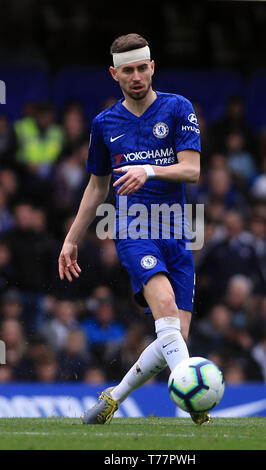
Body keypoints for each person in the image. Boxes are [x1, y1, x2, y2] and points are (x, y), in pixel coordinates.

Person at [58, 33, 205, 425]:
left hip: (177, 231)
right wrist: (72, 238)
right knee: (167, 313)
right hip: (133, 228)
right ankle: (197, 400)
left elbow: (192, 169)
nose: (137, 75)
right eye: (128, 70)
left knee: (173, 336)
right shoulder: (105, 124)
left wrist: (149, 169)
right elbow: (97, 186)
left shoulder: (177, 108)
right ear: (114, 74)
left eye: (143, 67)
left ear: (152, 67)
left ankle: (113, 397)